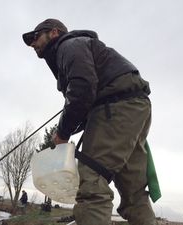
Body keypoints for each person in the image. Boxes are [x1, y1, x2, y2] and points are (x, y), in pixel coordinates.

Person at [23, 19, 157, 225]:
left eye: (35, 36)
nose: (32, 43)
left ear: (54, 33)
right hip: (134, 109)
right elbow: (84, 98)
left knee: (92, 182)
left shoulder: (69, 45)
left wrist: (62, 133)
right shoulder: (78, 48)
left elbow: (82, 89)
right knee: (134, 193)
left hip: (116, 107)